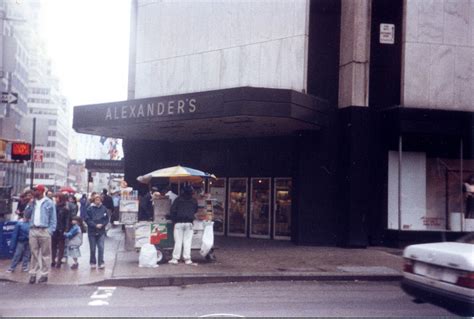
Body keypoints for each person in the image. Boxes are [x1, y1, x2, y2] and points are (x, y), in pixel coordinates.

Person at [23, 184, 56, 284]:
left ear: (41, 191)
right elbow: (26, 215)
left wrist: (50, 230)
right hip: (33, 229)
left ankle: (44, 274)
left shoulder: (49, 203)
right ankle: (33, 274)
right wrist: (29, 204)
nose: (34, 192)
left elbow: (53, 218)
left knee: (45, 254)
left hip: (44, 230)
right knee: (34, 253)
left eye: (36, 190)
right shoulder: (33, 202)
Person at [168, 185, 198, 265]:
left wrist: (173, 220)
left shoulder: (178, 200)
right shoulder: (194, 200)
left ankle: (175, 259)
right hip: (189, 223)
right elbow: (195, 210)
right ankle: (187, 259)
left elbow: (172, 210)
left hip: (179, 223)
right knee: (187, 242)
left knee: (178, 241)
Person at [85, 194, 109, 269]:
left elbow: (106, 218)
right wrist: (95, 225)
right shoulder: (89, 208)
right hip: (92, 231)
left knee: (101, 247)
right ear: (94, 200)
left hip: (101, 231)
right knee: (92, 248)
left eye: (99, 199)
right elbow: (87, 219)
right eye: (96, 199)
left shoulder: (104, 208)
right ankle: (92, 262)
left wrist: (103, 224)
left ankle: (101, 262)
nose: (98, 201)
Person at [51, 193, 71, 269]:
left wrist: (66, 229)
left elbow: (67, 220)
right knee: (53, 246)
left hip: (61, 229)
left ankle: (58, 261)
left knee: (61, 246)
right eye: (56, 197)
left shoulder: (65, 209)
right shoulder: (54, 207)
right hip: (54, 229)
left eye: (57, 197)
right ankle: (53, 260)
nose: (56, 199)